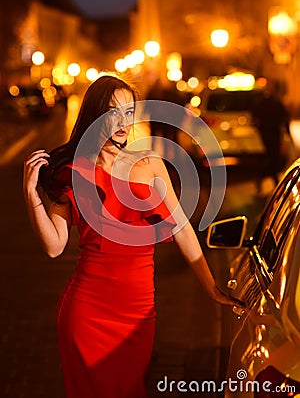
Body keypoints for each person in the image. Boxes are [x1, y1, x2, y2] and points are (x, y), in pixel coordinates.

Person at [23, 74, 242, 398]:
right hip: (87, 312)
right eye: (113, 111)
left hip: (138, 311)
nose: (122, 121)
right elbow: (55, 247)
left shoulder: (151, 163)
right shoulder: (74, 169)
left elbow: (181, 227)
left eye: (129, 111)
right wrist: (31, 195)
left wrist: (211, 288)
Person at [252, 80, 292, 190]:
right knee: (273, 158)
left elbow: (255, 119)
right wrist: (288, 135)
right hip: (273, 134)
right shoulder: (276, 104)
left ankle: (269, 181)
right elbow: (285, 119)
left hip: (266, 134)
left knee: (271, 158)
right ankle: (272, 181)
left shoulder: (261, 104)